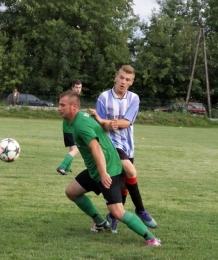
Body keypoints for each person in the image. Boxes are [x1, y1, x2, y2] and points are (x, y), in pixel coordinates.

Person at [58, 90, 161, 246]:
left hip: (108, 169)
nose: (59, 108)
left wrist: (103, 173)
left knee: (117, 212)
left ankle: (151, 238)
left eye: (62, 105)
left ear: (74, 106)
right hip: (97, 169)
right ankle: (101, 223)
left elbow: (96, 148)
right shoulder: (75, 121)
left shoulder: (80, 125)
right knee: (71, 192)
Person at [90, 65, 157, 234]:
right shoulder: (103, 98)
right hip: (110, 145)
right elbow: (98, 125)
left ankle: (113, 216)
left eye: (127, 79)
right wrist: (105, 124)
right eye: (121, 77)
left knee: (123, 184)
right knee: (131, 171)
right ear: (115, 77)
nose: (123, 81)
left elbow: (127, 122)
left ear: (131, 82)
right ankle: (140, 209)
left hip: (127, 146)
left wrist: (109, 122)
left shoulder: (134, 98)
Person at [56, 79, 82, 175]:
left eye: (80, 87)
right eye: (76, 87)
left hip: (68, 129)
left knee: (72, 149)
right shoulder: (70, 99)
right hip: (70, 129)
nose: (78, 89)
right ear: (72, 87)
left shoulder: (74, 98)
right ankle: (62, 166)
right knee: (76, 150)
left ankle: (67, 167)